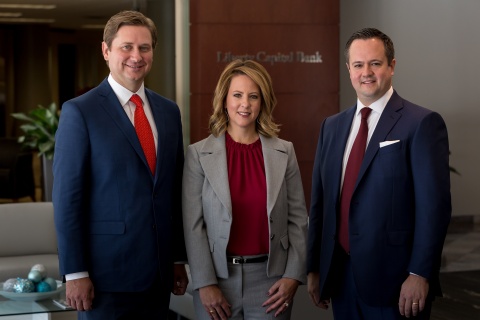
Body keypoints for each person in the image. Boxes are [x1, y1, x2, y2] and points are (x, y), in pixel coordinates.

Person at [307, 27, 451, 319]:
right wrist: (314, 266)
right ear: (349, 69)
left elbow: (433, 208)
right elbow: (320, 203)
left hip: (396, 284)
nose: (366, 72)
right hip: (340, 278)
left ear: (392, 66)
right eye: (358, 65)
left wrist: (420, 273)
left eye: (375, 63)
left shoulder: (421, 123)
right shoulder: (331, 127)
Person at [52, 10, 188, 319]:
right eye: (126, 46)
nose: (136, 56)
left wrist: (177, 258)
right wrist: (75, 273)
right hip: (105, 278)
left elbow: (174, 191)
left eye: (144, 47)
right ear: (106, 50)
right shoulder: (79, 113)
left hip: (158, 276)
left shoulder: (168, 112)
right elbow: (67, 200)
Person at [182, 59, 308, 320]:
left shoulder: (284, 152)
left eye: (253, 96)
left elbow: (298, 220)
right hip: (217, 280)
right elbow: (193, 226)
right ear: (224, 99)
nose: (245, 104)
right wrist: (204, 283)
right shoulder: (198, 154)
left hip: (271, 282)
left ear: (263, 102)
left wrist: (292, 276)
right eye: (237, 95)